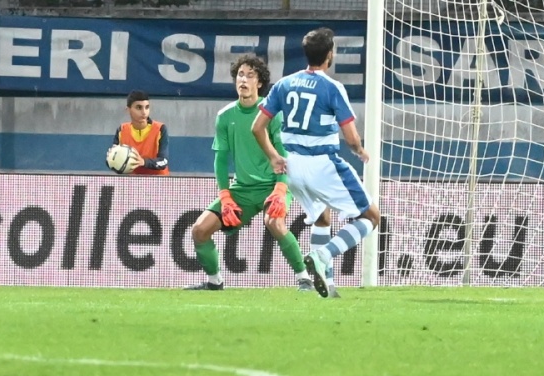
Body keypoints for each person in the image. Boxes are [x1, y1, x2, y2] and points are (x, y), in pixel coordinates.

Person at [252, 27, 380, 299]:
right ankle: (324, 254)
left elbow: (257, 127)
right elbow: (350, 136)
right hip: (322, 164)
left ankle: (328, 284)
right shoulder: (333, 88)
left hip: (293, 166)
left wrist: (274, 156)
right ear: (330, 55)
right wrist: (360, 151)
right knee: (371, 217)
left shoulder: (284, 84)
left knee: (322, 217)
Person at [185, 54, 311, 292]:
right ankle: (215, 283)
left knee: (274, 221)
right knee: (200, 230)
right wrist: (225, 196)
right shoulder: (225, 116)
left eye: (250, 75)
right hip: (242, 189)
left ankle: (304, 278)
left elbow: (284, 155)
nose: (243, 79)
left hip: (275, 184)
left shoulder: (273, 114)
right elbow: (220, 160)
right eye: (240, 75)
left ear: (259, 83)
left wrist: (281, 188)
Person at [115, 90, 169, 175]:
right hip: (132, 184)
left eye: (147, 107)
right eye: (139, 107)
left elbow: (164, 161)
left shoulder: (160, 129)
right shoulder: (121, 130)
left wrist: (144, 162)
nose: (144, 112)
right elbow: (115, 161)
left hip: (159, 183)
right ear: (128, 110)